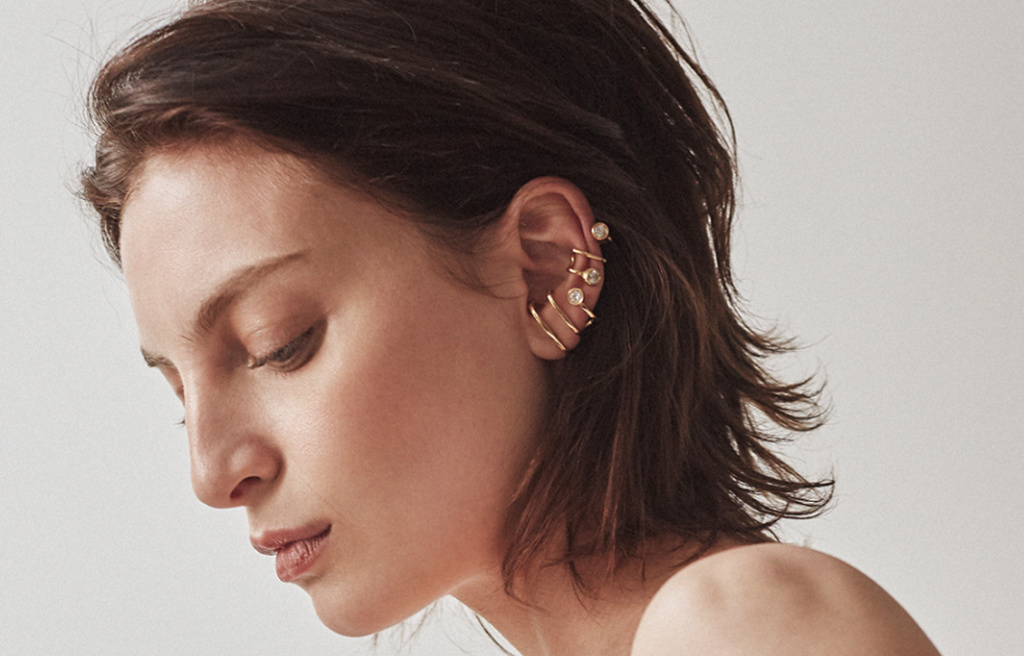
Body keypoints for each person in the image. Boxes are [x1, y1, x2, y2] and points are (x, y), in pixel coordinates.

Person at [81, 0, 942, 653]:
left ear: (548, 265)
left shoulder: (742, 627)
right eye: (180, 397)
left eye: (280, 343)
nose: (212, 474)